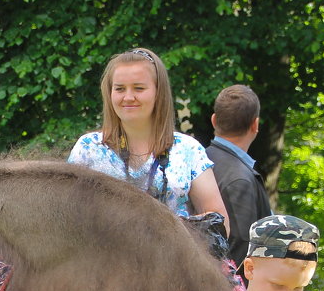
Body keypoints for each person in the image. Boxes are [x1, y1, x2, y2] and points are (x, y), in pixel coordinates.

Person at [68, 47, 229, 231]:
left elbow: (219, 222)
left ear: (158, 92)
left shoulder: (188, 149)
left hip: (175, 258)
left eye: (139, 88)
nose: (128, 97)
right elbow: (64, 217)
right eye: (120, 89)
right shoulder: (88, 149)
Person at [207, 85, 271, 268]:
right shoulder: (239, 179)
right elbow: (241, 248)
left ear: (214, 120)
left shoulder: (199, 163)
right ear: (255, 124)